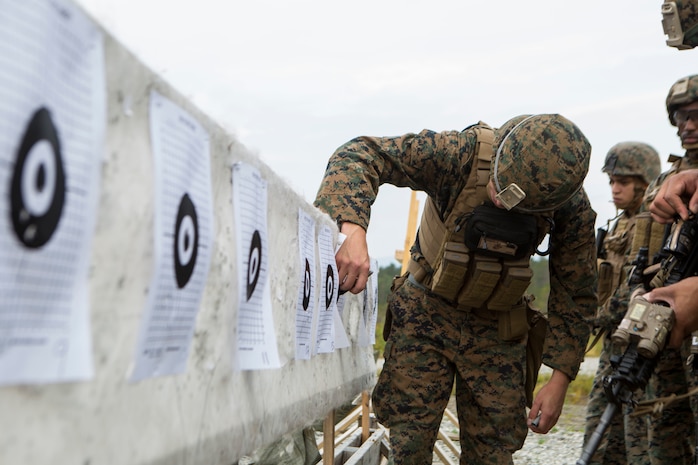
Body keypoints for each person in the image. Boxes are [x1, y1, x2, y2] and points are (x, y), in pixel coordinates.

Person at [314, 114, 598, 464]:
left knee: (494, 453)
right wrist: (352, 229)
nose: (501, 201)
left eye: (516, 203)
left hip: (499, 329)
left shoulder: (569, 205)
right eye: (501, 186)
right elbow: (360, 154)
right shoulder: (459, 153)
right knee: (409, 447)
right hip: (425, 316)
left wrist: (560, 378)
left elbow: (577, 293)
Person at [630, 74, 698, 464]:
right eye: (679, 117)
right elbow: (642, 257)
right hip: (665, 325)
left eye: (695, 115)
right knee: (664, 432)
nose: (687, 126)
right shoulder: (663, 183)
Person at [583, 142, 661, 465]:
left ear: (643, 185)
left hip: (639, 344)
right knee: (599, 433)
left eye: (623, 183)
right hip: (615, 341)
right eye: (612, 181)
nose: (614, 189)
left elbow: (637, 286)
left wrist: (594, 319)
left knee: (636, 437)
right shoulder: (619, 225)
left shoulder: (653, 225)